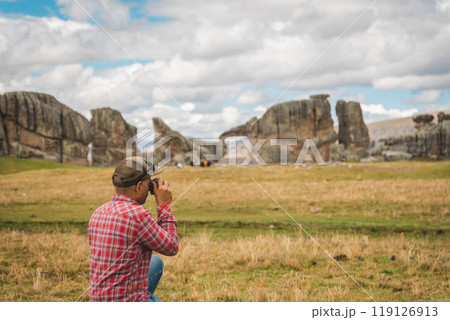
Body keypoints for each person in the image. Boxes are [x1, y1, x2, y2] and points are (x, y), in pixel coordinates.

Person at [88, 156, 178, 302]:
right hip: (125, 301)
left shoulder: (98, 212)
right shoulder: (139, 216)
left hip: (98, 298)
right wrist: (164, 205)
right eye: (149, 184)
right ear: (139, 186)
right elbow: (171, 246)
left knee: (155, 262)